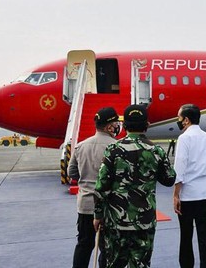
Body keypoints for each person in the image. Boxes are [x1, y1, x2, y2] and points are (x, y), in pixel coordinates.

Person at [93, 104, 176, 267]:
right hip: (144, 222)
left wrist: (98, 215)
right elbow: (169, 179)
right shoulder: (156, 151)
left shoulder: (113, 149)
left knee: (115, 263)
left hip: (116, 222)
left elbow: (101, 187)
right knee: (141, 263)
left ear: (125, 125)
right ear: (147, 124)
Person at [68, 107, 120, 268]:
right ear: (108, 126)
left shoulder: (81, 146)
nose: (117, 126)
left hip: (86, 205)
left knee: (84, 244)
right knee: (107, 249)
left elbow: (72, 173)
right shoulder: (118, 147)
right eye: (115, 123)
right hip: (109, 206)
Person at [172, 104, 206, 268]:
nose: (179, 121)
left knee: (186, 235)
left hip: (188, 195)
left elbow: (180, 168)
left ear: (186, 120)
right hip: (205, 194)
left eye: (179, 117)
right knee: (204, 235)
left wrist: (176, 194)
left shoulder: (184, 138)